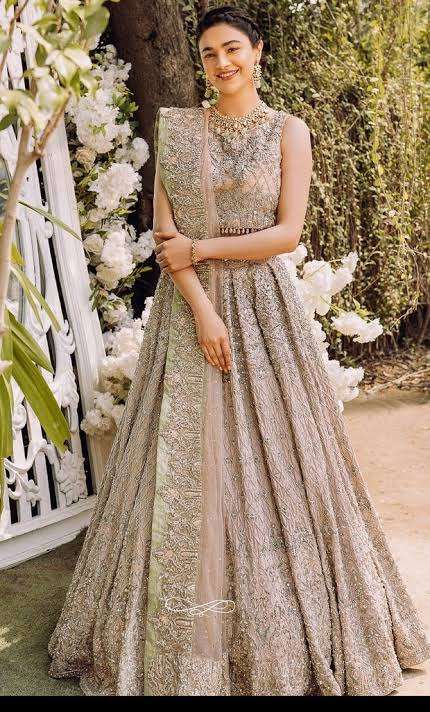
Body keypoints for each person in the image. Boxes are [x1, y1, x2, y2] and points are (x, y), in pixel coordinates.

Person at [47, 5, 430, 696]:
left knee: (280, 460)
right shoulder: (179, 130)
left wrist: (205, 249)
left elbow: (286, 233)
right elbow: (167, 239)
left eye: (232, 49)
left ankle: (281, 629)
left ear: (257, 53)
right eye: (209, 54)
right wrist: (204, 312)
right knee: (183, 461)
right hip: (188, 310)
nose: (222, 63)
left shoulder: (288, 131)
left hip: (265, 309)